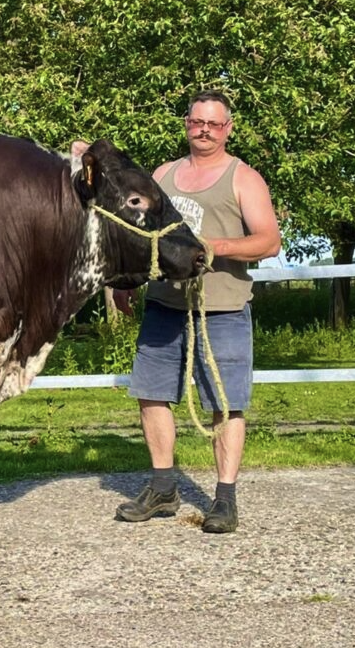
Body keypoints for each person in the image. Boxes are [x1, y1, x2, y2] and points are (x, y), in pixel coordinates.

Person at [114, 90, 281, 533]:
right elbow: (140, 234)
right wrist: (126, 281)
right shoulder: (163, 175)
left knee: (225, 405)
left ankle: (224, 499)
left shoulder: (243, 178)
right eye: (197, 121)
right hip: (165, 306)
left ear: (227, 129)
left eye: (214, 123)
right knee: (151, 394)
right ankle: (163, 488)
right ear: (186, 123)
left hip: (222, 309)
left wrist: (215, 247)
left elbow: (268, 241)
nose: (204, 130)